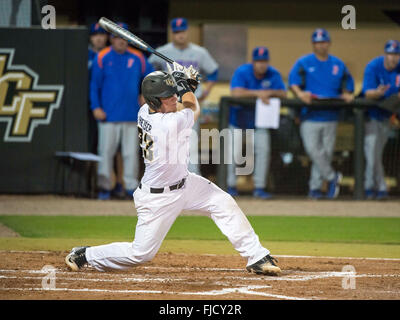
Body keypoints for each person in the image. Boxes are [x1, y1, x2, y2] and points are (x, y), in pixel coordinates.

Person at [65, 64, 281, 277]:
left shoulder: (144, 111)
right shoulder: (167, 124)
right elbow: (192, 108)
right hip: (158, 197)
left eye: (172, 95)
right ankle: (85, 255)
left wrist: (183, 85)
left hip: (185, 183)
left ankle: (257, 256)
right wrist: (187, 87)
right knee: (140, 254)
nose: (172, 99)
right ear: (153, 101)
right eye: (167, 97)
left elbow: (181, 103)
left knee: (223, 203)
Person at [90, 22, 154, 200]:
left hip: (132, 114)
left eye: (125, 37)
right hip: (108, 115)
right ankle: (104, 187)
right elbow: (94, 85)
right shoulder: (103, 57)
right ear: (112, 38)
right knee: (106, 152)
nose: (121, 41)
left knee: (130, 154)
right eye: (118, 37)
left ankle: (131, 187)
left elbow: (150, 78)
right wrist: (96, 107)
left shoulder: (138, 57)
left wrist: (144, 94)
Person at [289, 28, 354, 200]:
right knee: (313, 151)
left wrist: (348, 93)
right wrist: (300, 93)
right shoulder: (303, 62)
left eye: (323, 42)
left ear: (329, 43)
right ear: (313, 44)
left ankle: (315, 189)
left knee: (324, 154)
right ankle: (333, 177)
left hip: (331, 115)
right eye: (317, 42)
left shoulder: (337, 64)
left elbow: (348, 84)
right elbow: (293, 82)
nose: (321, 45)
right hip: (309, 115)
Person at [148, 17, 219, 176]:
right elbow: (149, 71)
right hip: (168, 105)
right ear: (172, 33)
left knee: (191, 143)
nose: (180, 35)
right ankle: (170, 178)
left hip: (190, 105)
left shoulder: (200, 52)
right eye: (177, 32)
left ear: (187, 32)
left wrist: (205, 93)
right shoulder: (163, 51)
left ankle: (193, 177)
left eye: (182, 31)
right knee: (168, 143)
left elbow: (214, 72)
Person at [228, 46, 286, 199]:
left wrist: (270, 92)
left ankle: (259, 187)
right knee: (232, 154)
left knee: (263, 152)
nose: (262, 64)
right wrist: (258, 94)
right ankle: (230, 186)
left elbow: (283, 93)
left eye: (264, 61)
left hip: (260, 122)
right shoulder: (242, 71)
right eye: (259, 61)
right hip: (238, 120)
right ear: (253, 62)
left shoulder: (273, 73)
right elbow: (235, 92)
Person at [362, 40, 400, 200]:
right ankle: (378, 186)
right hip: (370, 115)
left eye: (395, 54)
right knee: (372, 153)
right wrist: (377, 93)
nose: (392, 58)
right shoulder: (374, 66)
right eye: (390, 54)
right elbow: (367, 93)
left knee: (376, 154)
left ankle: (370, 186)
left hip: (387, 115)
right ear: (385, 54)